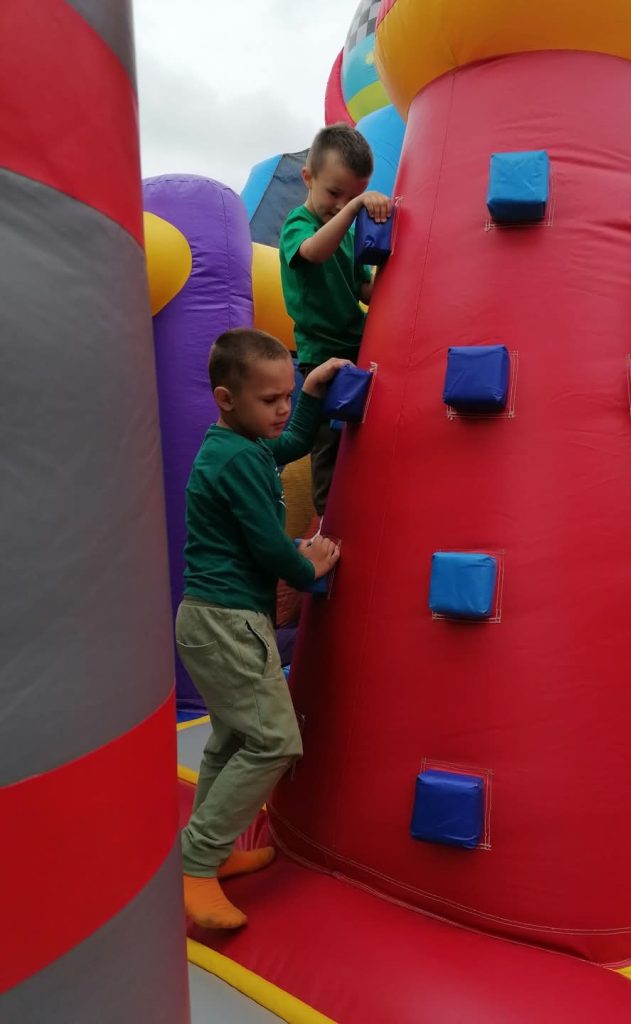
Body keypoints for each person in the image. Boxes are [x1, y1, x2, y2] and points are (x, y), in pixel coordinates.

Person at [177, 327, 344, 929]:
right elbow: (269, 547)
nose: (282, 409)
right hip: (228, 621)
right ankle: (195, 863)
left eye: (287, 396)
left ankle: (213, 854)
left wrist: (314, 394)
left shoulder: (236, 444)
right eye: (270, 400)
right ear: (226, 398)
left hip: (209, 619)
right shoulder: (239, 459)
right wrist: (309, 565)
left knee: (229, 741)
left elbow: (292, 442)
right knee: (276, 741)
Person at [279, 123, 392, 517]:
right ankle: (329, 520)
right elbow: (312, 252)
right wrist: (354, 208)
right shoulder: (299, 224)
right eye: (333, 193)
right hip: (322, 359)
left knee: (367, 432)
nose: (340, 203)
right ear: (307, 178)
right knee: (328, 440)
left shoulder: (345, 234)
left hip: (360, 347)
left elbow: (366, 291)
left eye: (352, 194)